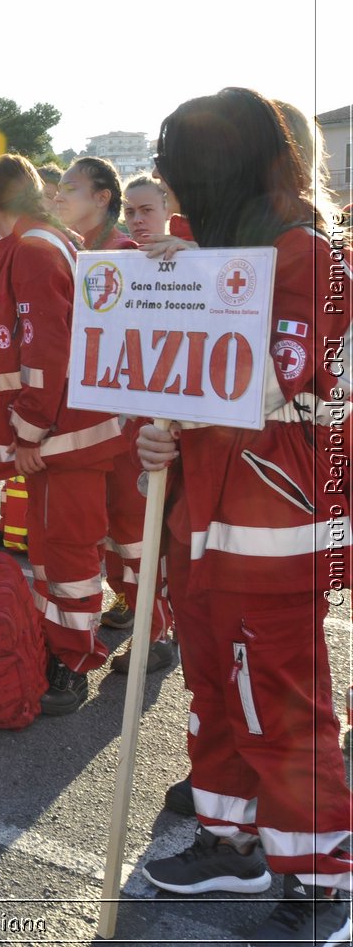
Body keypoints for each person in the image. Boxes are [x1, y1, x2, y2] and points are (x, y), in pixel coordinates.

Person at [134, 88, 352, 941]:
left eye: (178, 168)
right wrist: (162, 432)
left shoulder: (308, 254)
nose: (168, 188)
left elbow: (276, 376)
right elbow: (185, 378)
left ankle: (322, 883)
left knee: (282, 699)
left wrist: (178, 405)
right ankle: (231, 840)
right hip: (209, 507)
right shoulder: (217, 248)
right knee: (216, 684)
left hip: (276, 513)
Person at [0, 154, 128, 713]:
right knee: (51, 549)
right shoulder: (45, 242)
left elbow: (46, 349)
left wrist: (30, 429)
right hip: (67, 432)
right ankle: (60, 645)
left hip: (63, 435)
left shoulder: (36, 250)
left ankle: (70, 661)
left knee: (66, 554)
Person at [53, 157, 178, 671]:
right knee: (110, 529)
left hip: (130, 423)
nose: (59, 195)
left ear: (100, 198)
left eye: (71, 187)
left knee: (133, 530)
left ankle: (159, 631)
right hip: (97, 421)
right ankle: (132, 605)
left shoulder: (128, 255)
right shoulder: (87, 251)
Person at [122, 173, 171, 244]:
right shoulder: (111, 253)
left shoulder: (188, 252)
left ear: (169, 212)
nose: (136, 220)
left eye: (147, 210)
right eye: (130, 213)